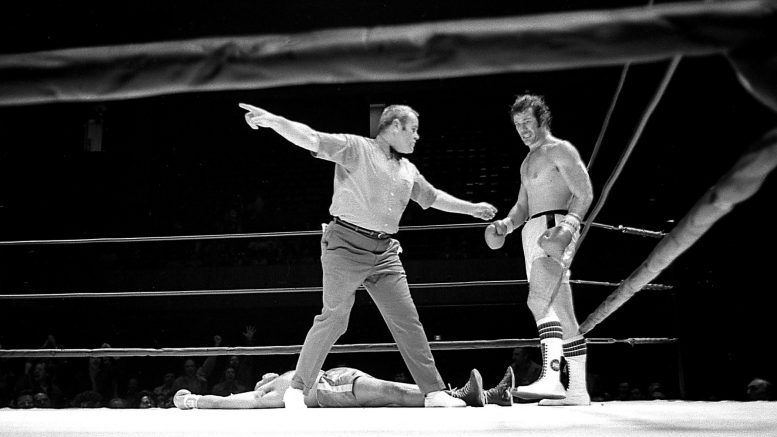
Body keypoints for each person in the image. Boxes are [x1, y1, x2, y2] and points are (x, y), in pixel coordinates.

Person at [239, 103, 498, 408]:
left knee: (407, 320)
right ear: (395, 126)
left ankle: (434, 392)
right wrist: (274, 121)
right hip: (345, 245)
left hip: (384, 252)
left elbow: (433, 197)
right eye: (413, 129)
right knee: (334, 319)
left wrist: (472, 209)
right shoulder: (356, 148)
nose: (417, 136)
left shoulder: (408, 170)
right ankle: (297, 388)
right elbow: (311, 138)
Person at [486, 94, 594, 406]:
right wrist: (506, 225)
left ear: (541, 119)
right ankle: (575, 390)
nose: (522, 129)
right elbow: (522, 206)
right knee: (558, 308)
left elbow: (584, 192)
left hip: (554, 227)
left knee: (539, 301)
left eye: (527, 122)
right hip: (532, 231)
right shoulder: (527, 161)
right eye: (517, 124)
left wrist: (569, 226)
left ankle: (551, 377)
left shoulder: (559, 149)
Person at [174, 366, 512, 409]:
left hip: (336, 376)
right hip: (328, 389)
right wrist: (193, 400)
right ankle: (465, 395)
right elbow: (229, 403)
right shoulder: (265, 393)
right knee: (393, 391)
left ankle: (492, 395)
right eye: (262, 378)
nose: (266, 374)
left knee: (393, 390)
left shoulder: (279, 378)